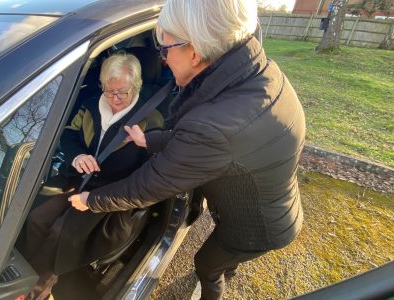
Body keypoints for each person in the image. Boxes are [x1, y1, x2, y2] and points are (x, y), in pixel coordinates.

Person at [69, 1, 306, 299]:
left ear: (194, 52)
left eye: (165, 49)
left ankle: (213, 288)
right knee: (224, 259)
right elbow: (203, 140)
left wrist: (91, 200)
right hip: (266, 200)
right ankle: (228, 267)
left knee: (206, 264)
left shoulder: (214, 124)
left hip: (256, 227)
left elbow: (147, 187)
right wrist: (149, 141)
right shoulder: (260, 75)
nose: (164, 60)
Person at [21, 52, 163, 300]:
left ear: (136, 86)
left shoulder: (151, 121)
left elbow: (149, 176)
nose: (115, 99)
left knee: (61, 235)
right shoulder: (90, 105)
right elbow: (68, 135)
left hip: (112, 196)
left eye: (122, 92)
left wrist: (101, 196)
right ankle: (28, 271)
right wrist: (78, 157)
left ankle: (35, 290)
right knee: (36, 218)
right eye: (109, 92)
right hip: (78, 182)